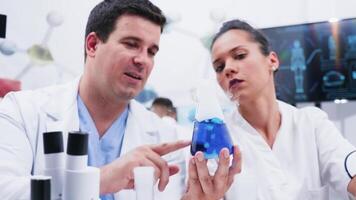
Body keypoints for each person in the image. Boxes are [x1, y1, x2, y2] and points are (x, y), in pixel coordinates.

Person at [0, 0, 242, 199]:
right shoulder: (22, 112)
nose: (143, 60)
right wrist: (100, 179)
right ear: (93, 45)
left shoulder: (164, 136)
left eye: (151, 51)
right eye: (131, 44)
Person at [209, 19, 356, 200]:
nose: (228, 69)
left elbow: (350, 172)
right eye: (219, 67)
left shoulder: (311, 123)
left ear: (272, 61)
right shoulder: (218, 139)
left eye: (239, 55)